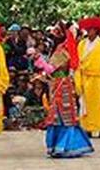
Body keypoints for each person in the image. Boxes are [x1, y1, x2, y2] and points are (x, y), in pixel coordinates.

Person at [34, 22, 93, 157]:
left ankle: (62, 146)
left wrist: (39, 59)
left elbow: (51, 68)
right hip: (61, 84)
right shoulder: (65, 48)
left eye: (56, 31)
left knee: (60, 116)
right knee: (63, 116)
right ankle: (62, 145)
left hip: (60, 85)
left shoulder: (63, 49)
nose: (53, 34)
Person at [75, 17, 100, 138]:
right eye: (88, 29)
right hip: (85, 78)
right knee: (86, 104)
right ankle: (87, 127)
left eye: (92, 29)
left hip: (98, 79)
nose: (89, 32)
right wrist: (78, 80)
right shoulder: (81, 44)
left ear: (97, 31)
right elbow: (77, 64)